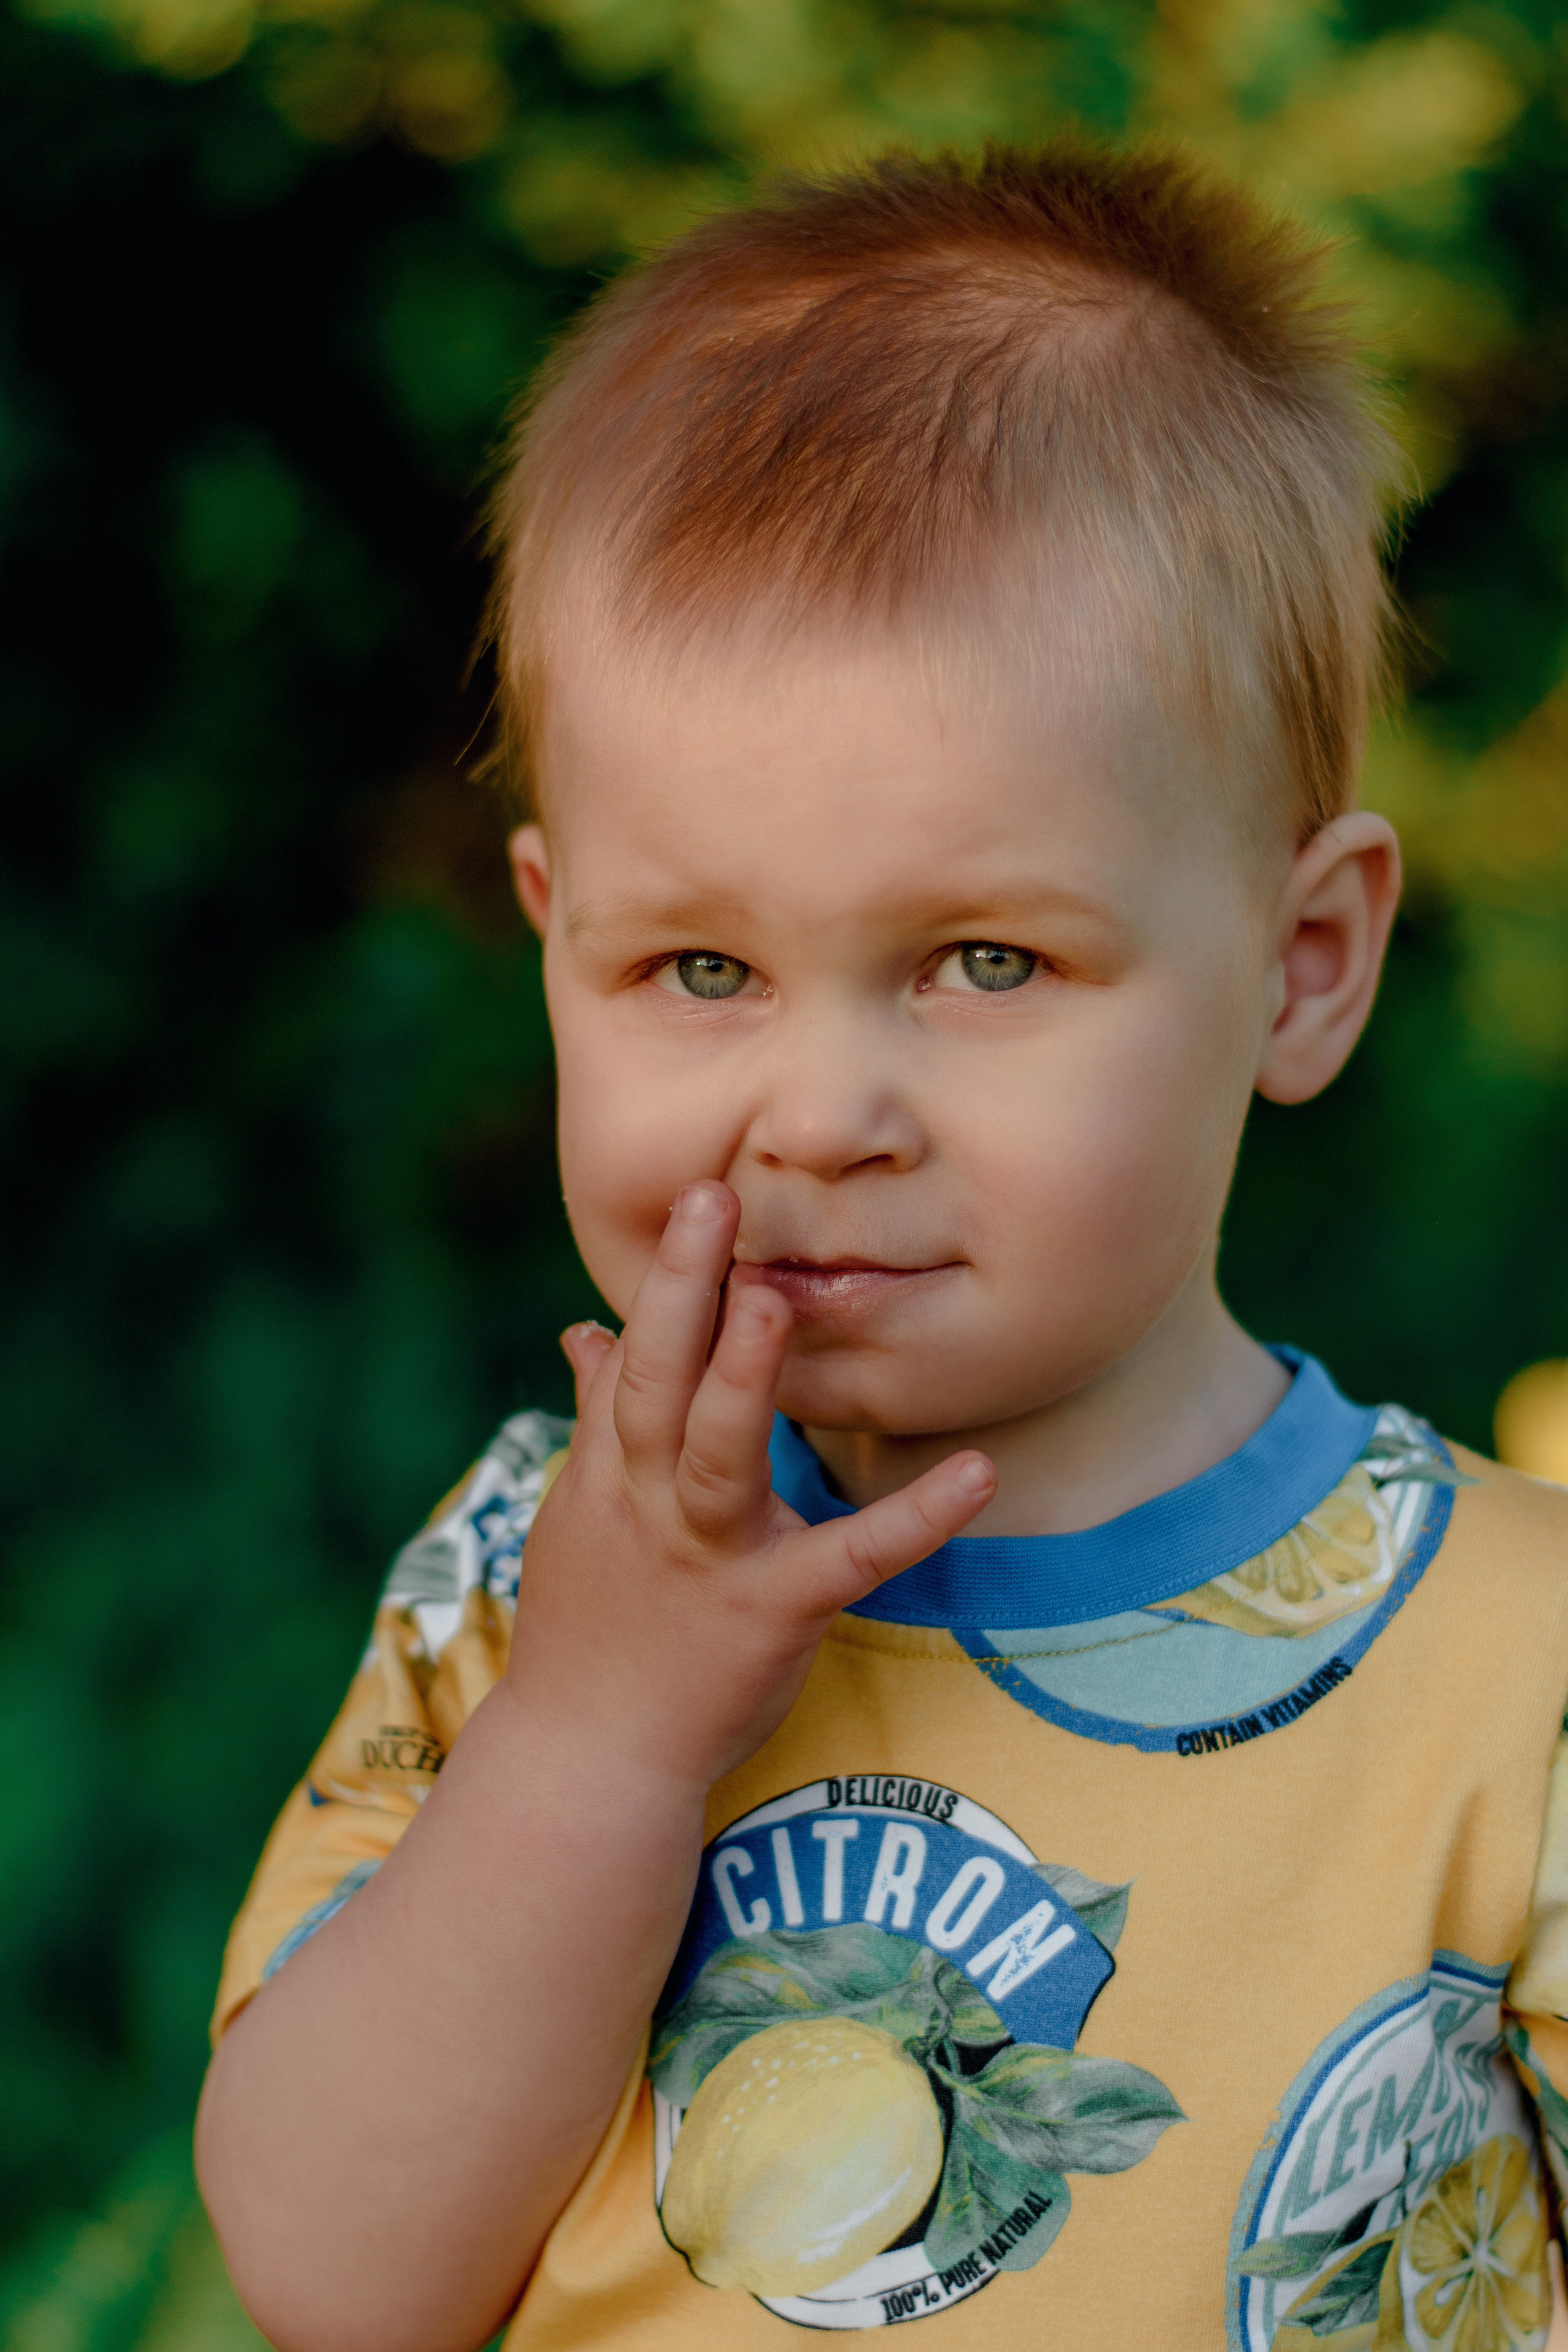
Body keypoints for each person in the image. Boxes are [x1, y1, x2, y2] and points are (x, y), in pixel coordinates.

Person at [195, 140, 1568, 2352]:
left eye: (984, 963)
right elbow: (337, 2280)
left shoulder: (1519, 1674)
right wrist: (599, 1743)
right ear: (555, 945)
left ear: (1305, 966)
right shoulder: (530, 1592)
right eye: (703, 975)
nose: (819, 1113)